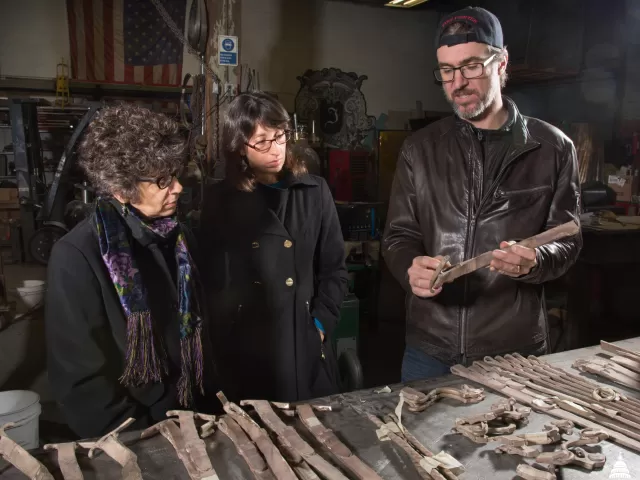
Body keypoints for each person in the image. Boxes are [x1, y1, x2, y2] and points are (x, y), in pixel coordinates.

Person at [382, 6, 582, 382]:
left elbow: (568, 238)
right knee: (418, 441)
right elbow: (398, 235)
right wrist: (410, 267)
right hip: (430, 348)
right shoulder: (419, 149)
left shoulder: (553, 148)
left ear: (501, 63)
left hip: (515, 350)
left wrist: (536, 261)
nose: (457, 83)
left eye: (471, 65)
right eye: (447, 70)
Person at [45, 104, 217, 438]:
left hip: (201, 414)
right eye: (163, 180)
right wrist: (144, 439)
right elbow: (82, 384)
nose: (178, 187)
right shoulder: (78, 256)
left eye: (176, 174)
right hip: (141, 431)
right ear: (121, 187)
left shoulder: (179, 237)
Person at [199, 92, 347, 403]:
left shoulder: (314, 191)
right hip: (249, 350)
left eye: (280, 136)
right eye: (262, 141)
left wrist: (319, 325)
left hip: (303, 343)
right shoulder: (220, 200)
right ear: (240, 146)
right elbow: (211, 281)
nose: (276, 149)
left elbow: (334, 269)